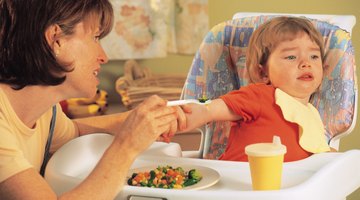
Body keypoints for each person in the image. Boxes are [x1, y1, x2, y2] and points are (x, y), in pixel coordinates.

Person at [0, 0, 186, 199]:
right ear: (56, 40)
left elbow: (76, 131)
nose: (104, 56)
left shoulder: (45, 112)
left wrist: (141, 120)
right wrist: (127, 145)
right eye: (95, 37)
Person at [180, 16, 335, 162]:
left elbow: (315, 155)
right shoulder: (261, 95)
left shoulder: (313, 116)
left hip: (284, 188)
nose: (305, 63)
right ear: (263, 72)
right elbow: (213, 109)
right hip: (235, 185)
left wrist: (336, 158)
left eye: (314, 57)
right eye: (291, 57)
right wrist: (194, 113)